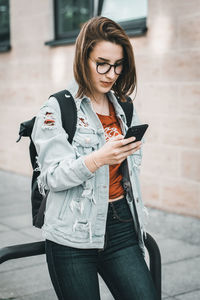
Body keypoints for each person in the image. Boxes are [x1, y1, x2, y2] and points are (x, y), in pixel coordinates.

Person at [32, 16, 157, 300]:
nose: (110, 73)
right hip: (72, 234)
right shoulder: (57, 107)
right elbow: (51, 177)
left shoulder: (123, 104)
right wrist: (98, 158)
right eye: (101, 63)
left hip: (121, 224)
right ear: (83, 57)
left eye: (118, 65)